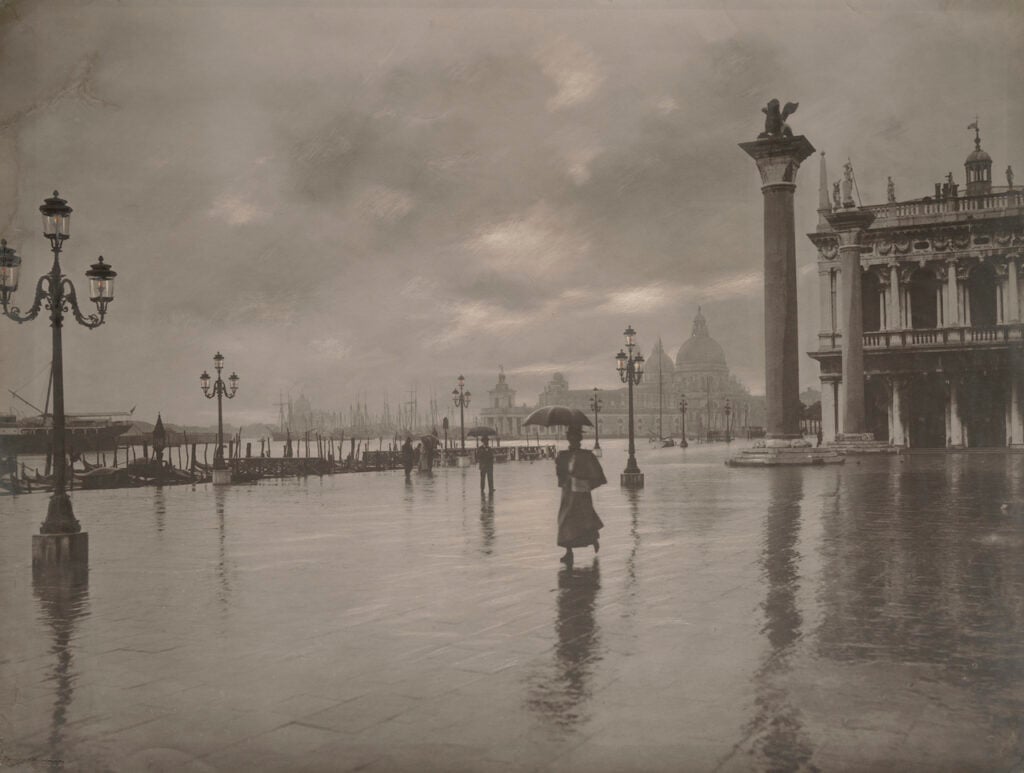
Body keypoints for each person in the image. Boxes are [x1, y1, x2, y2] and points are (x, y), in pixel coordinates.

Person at [554, 426, 606, 563]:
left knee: (584, 519)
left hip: (581, 493)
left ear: (579, 440)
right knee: (565, 520)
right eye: (570, 438)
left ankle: (593, 539)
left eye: (575, 438)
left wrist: (585, 482)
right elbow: (560, 474)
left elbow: (597, 473)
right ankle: (568, 552)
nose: (572, 441)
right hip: (568, 493)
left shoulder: (586, 455)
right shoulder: (564, 455)